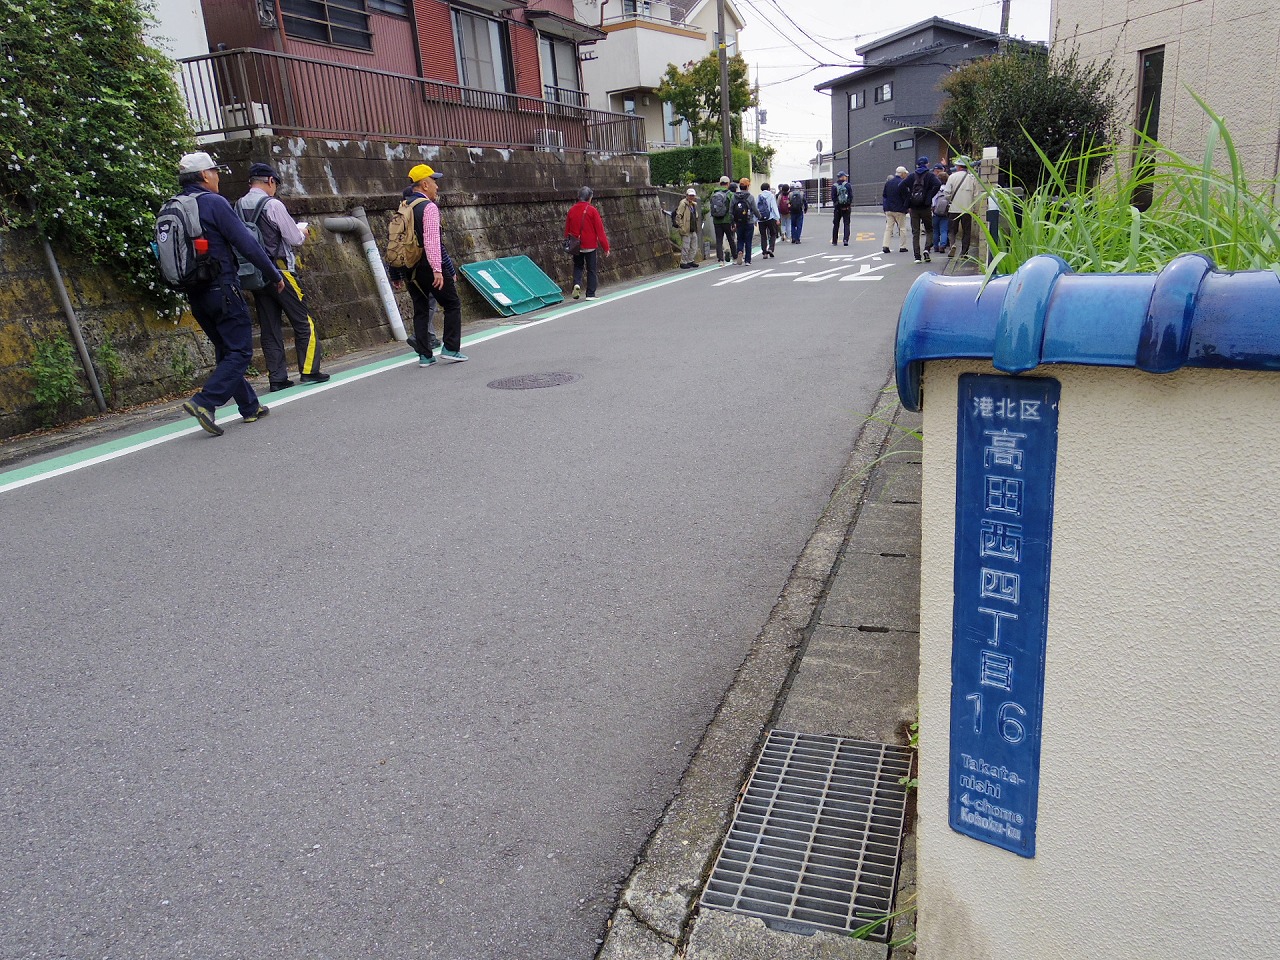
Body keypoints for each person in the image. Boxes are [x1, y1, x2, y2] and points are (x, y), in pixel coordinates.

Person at [173, 152, 282, 436]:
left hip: (195, 293)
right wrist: (273, 274)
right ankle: (204, 402)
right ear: (204, 175)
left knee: (226, 350)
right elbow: (246, 242)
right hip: (222, 288)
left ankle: (250, 406)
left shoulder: (174, 206)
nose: (218, 176)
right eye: (214, 171)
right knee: (240, 351)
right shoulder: (213, 203)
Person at [235, 162, 330, 392]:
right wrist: (302, 231)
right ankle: (309, 370)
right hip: (281, 271)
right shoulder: (273, 204)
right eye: (275, 184)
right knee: (303, 320)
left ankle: (277, 378)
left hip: (256, 274)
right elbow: (293, 238)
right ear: (270, 181)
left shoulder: (238, 206)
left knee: (269, 326)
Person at [390, 163, 467, 365]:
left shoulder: (403, 207)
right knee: (452, 304)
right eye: (434, 181)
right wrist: (438, 270)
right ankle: (451, 348)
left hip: (409, 267)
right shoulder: (428, 207)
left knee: (421, 309)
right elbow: (433, 241)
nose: (436, 186)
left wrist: (395, 272)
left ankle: (425, 355)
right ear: (424, 184)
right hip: (428, 266)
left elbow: (394, 241)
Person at [564, 185, 611, 299]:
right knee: (591, 269)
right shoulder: (592, 210)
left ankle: (576, 284)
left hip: (576, 245)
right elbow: (600, 232)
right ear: (589, 198)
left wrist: (568, 243)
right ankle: (590, 294)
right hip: (590, 245)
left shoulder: (572, 210)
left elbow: (567, 230)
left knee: (578, 266)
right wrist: (606, 248)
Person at [942, 156, 982, 260]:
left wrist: (951, 200)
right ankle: (964, 253)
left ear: (959, 166)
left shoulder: (952, 177)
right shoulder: (973, 178)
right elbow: (976, 195)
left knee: (952, 230)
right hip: (968, 210)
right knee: (966, 232)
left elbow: (946, 193)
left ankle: (953, 245)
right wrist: (975, 210)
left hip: (953, 208)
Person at [902, 156, 941, 263]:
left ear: (917, 165)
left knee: (916, 232)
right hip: (926, 207)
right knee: (929, 229)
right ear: (927, 164)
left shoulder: (911, 176)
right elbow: (938, 184)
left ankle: (917, 257)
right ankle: (927, 249)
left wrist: (909, 197)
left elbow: (901, 186)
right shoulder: (930, 175)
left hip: (914, 208)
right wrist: (929, 196)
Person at [709, 175, 737, 265]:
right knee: (730, 239)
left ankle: (721, 260)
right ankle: (735, 258)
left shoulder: (713, 193)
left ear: (720, 183)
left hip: (716, 220)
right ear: (728, 184)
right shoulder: (730, 194)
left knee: (719, 240)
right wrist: (734, 221)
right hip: (727, 220)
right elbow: (733, 208)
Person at [881, 166, 909, 254]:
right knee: (902, 228)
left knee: (888, 228)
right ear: (902, 174)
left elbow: (884, 195)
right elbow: (906, 196)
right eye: (905, 173)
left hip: (889, 209)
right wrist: (906, 207)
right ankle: (902, 246)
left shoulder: (888, 183)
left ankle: (885, 245)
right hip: (899, 209)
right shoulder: (902, 183)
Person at [731, 178, 757, 265]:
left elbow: (731, 210)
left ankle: (739, 251)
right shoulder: (750, 197)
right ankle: (747, 261)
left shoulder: (734, 197)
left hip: (739, 222)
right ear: (748, 186)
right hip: (749, 221)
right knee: (748, 241)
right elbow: (755, 209)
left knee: (740, 239)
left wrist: (733, 222)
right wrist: (759, 217)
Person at [675, 187, 702, 269]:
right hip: (686, 229)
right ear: (686, 195)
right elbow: (678, 216)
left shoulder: (693, 204)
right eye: (690, 195)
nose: (691, 197)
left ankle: (690, 260)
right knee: (686, 247)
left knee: (694, 246)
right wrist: (682, 226)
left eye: (692, 195)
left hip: (692, 228)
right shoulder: (683, 204)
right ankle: (683, 262)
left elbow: (695, 216)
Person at [756, 183, 780, 258]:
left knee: (763, 235)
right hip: (770, 218)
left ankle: (764, 253)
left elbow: (756, 208)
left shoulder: (759, 196)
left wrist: (755, 219)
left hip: (761, 219)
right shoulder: (771, 196)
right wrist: (777, 218)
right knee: (773, 233)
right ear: (769, 188)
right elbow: (774, 207)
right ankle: (770, 249)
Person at [931, 163, 951, 255]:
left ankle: (935, 246)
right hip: (945, 212)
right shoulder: (948, 188)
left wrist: (933, 207)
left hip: (935, 211)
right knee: (944, 230)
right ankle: (942, 245)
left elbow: (933, 199)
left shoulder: (935, 188)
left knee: (935, 230)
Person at [831, 170, 853, 246]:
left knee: (836, 224)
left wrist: (837, 205)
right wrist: (848, 205)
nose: (846, 177)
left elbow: (833, 197)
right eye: (845, 176)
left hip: (837, 209)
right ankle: (845, 240)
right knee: (846, 224)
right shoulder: (848, 185)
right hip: (846, 208)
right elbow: (850, 196)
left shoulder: (834, 186)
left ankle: (834, 241)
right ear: (842, 177)